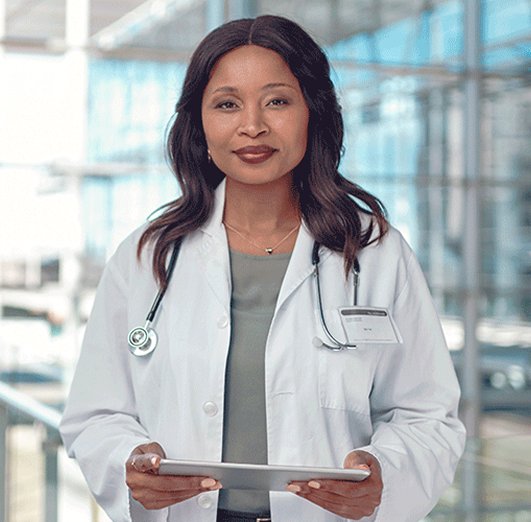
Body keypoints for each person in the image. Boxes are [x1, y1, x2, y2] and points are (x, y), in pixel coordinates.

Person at [59, 15, 465, 522]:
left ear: (311, 111)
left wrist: (385, 474)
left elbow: (426, 414)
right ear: (200, 123)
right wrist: (130, 463)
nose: (253, 125)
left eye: (277, 100)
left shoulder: (374, 252)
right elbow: (96, 414)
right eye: (227, 104)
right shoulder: (148, 256)